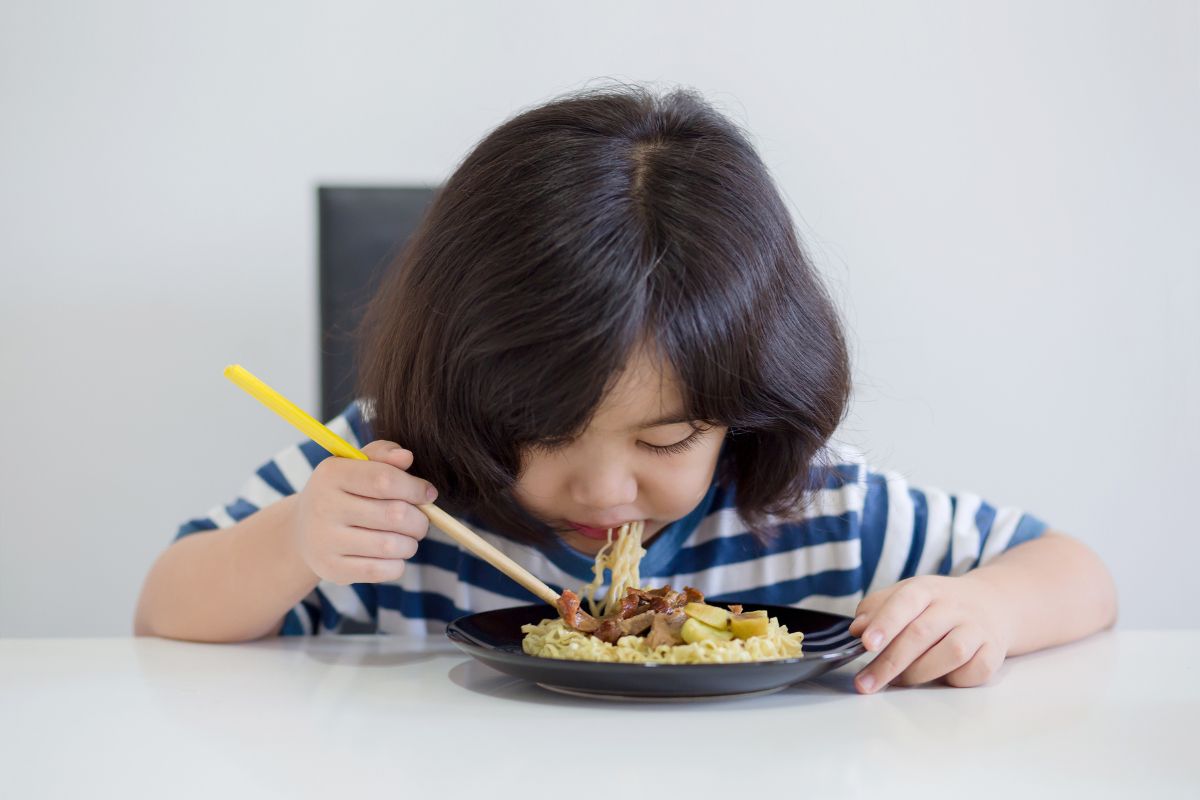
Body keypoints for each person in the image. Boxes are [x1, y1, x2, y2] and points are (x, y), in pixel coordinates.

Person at [135, 85, 1116, 693]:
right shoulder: (384, 476)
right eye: (543, 427)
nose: (605, 492)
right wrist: (297, 540)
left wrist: (983, 610)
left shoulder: (810, 505)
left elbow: (1075, 571)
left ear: (745, 408)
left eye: (666, 438)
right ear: (462, 384)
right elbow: (165, 609)